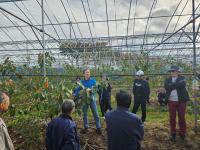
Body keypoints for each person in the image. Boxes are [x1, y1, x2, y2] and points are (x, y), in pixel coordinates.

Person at [164, 66, 189, 142]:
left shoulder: (182, 78)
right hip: (171, 101)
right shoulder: (167, 79)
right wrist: (175, 85)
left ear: (178, 72)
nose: (172, 72)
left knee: (182, 117)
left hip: (181, 101)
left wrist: (171, 86)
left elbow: (182, 85)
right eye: (171, 71)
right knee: (172, 117)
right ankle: (173, 132)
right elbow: (166, 87)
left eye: (174, 71)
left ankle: (182, 132)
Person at [73, 68, 101, 134]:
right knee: (84, 114)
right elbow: (77, 89)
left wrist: (92, 91)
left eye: (88, 72)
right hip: (84, 99)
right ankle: (86, 127)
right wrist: (74, 94)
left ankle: (98, 127)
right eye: (86, 72)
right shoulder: (81, 82)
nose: (88, 74)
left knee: (95, 113)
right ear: (84, 74)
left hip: (91, 99)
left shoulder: (93, 81)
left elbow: (96, 89)